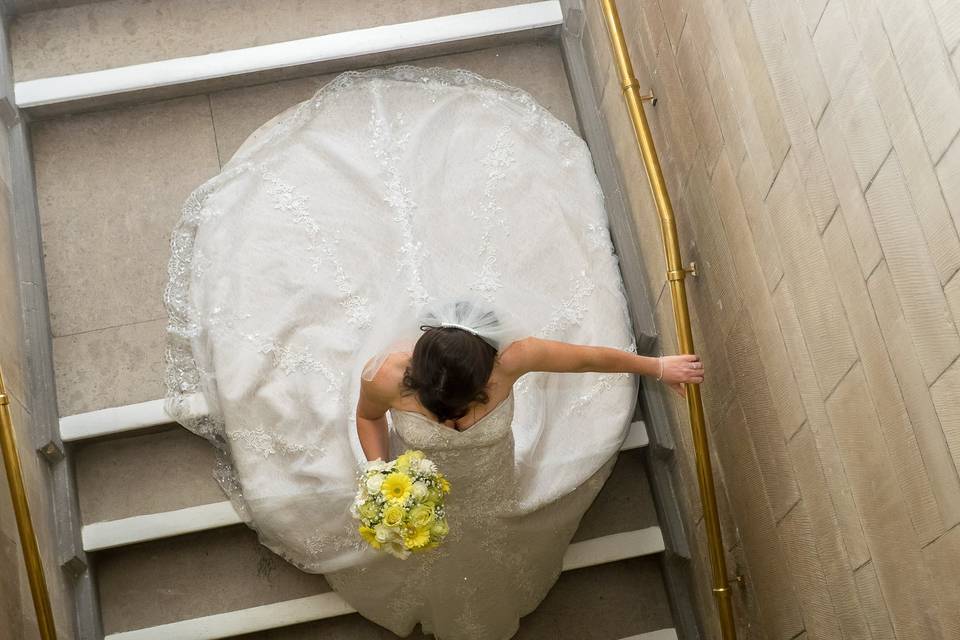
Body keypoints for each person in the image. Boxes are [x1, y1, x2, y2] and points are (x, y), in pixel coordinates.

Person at [163, 65, 703, 639]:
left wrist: (656, 364)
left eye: (474, 399)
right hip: (419, 482)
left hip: (496, 481)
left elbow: (589, 358)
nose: (463, 415)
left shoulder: (513, 360)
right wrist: (378, 472)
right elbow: (368, 418)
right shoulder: (388, 377)